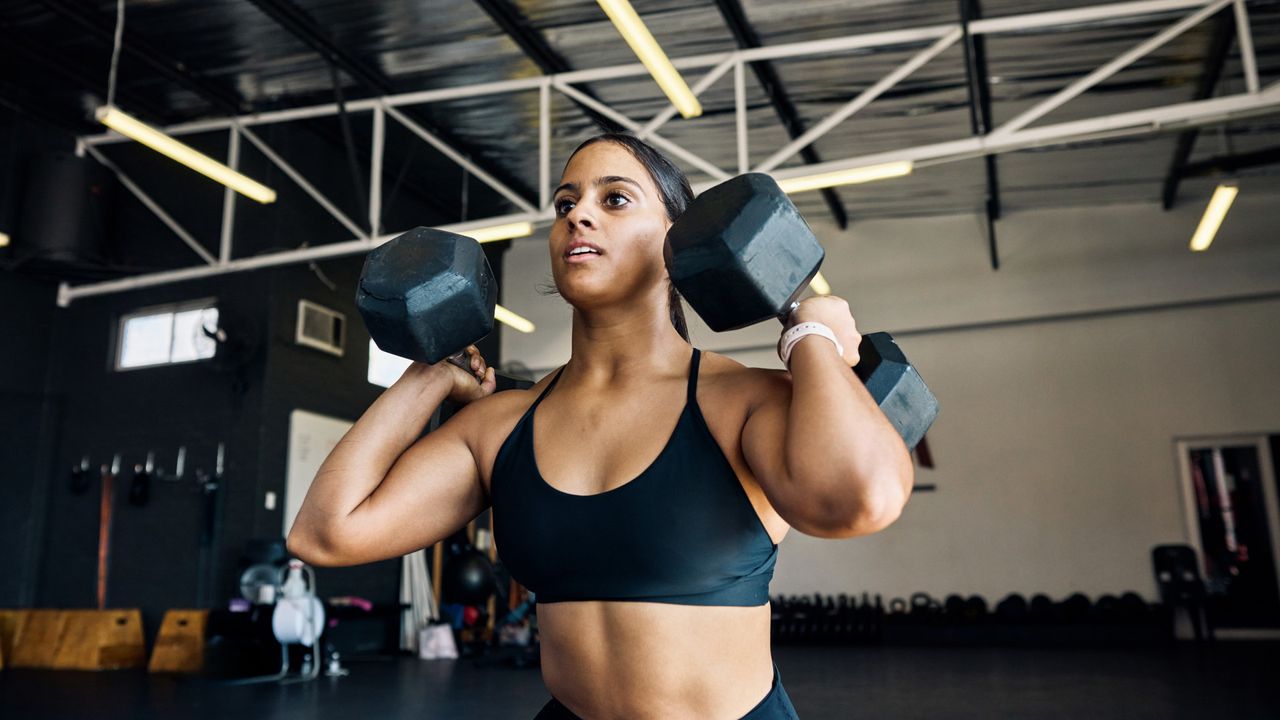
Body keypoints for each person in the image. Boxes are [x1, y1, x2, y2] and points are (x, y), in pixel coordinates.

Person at [287, 133, 914, 719]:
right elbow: (325, 533)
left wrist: (814, 336)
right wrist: (425, 377)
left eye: (614, 199)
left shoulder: (739, 399)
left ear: (677, 239)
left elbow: (861, 500)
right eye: (566, 202)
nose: (577, 216)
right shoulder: (502, 424)